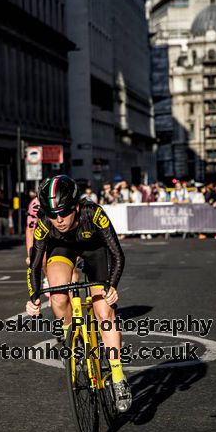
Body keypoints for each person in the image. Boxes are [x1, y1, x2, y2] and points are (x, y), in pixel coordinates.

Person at [25, 175, 131, 412]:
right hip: (62, 250)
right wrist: (32, 299)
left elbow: (117, 254)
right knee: (58, 297)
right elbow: (33, 265)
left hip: (94, 250)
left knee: (104, 312)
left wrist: (111, 287)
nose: (58, 219)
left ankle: (117, 376)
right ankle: (68, 334)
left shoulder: (92, 212)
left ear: (75, 206)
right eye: (52, 214)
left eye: (63, 212)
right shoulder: (45, 223)